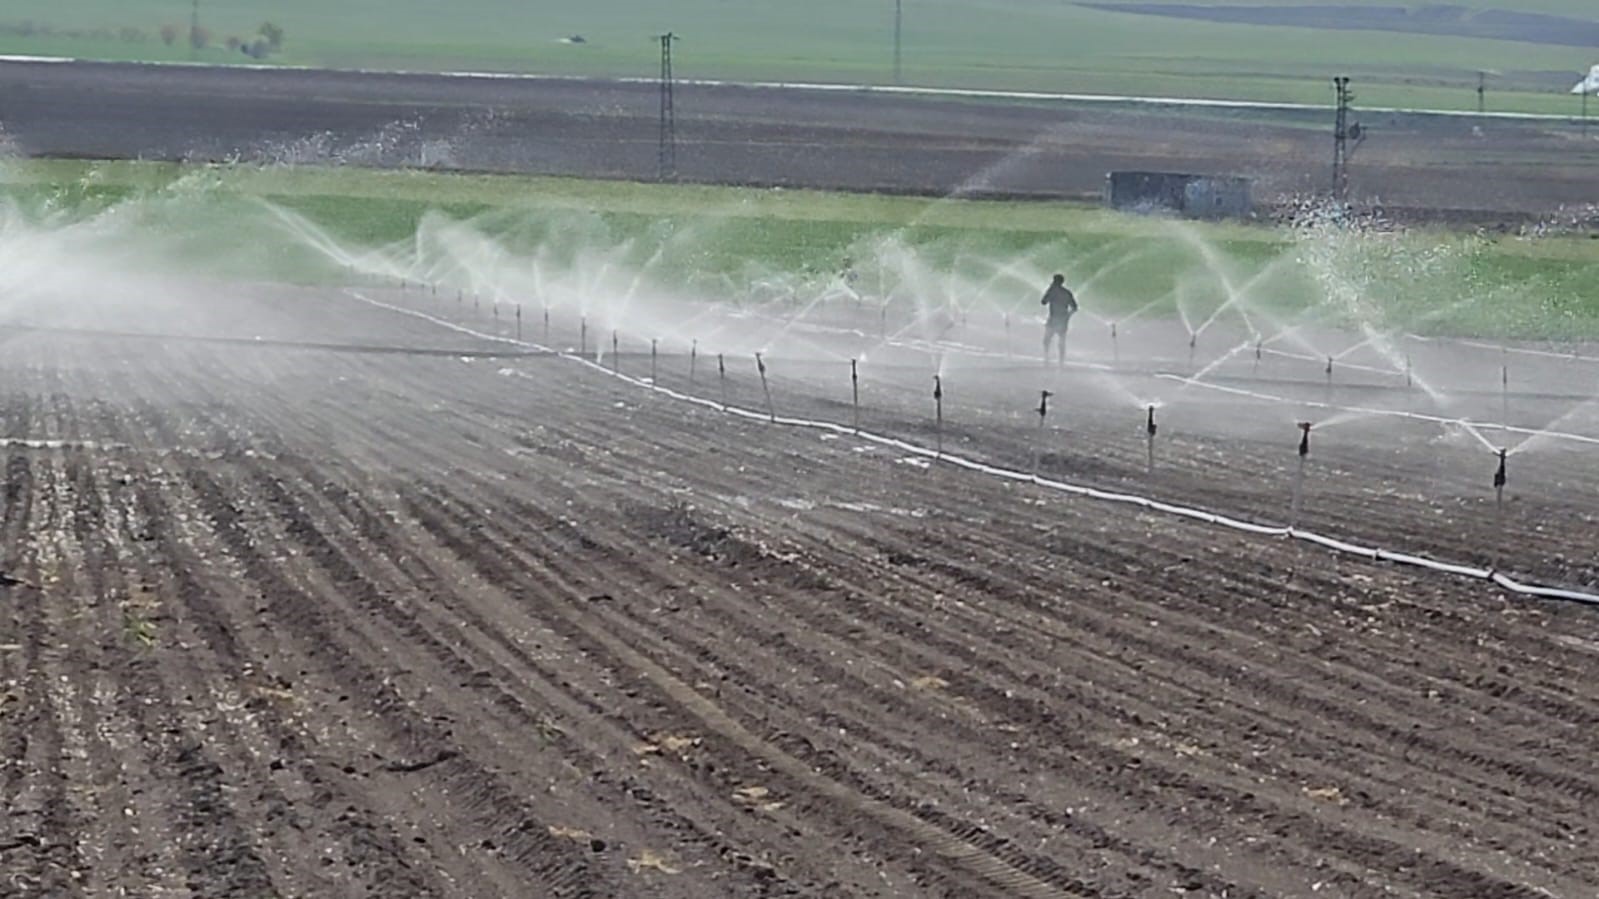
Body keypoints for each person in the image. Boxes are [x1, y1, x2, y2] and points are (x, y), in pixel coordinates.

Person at [1040, 274, 1078, 364]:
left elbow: (1043, 302)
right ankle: (1061, 360)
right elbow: (1074, 307)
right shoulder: (1067, 292)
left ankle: (1046, 358)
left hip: (1053, 319)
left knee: (1047, 340)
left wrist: (1049, 290)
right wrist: (1068, 316)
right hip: (1063, 319)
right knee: (1061, 340)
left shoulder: (1052, 291)